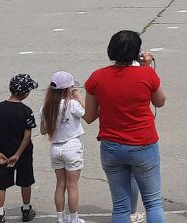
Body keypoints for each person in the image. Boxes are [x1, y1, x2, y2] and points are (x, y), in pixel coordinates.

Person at [83, 31, 166, 223]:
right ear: (136, 53)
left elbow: (89, 116)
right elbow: (159, 102)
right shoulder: (146, 73)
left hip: (111, 145)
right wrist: (147, 67)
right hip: (143, 143)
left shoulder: (97, 77)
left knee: (121, 206)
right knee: (153, 202)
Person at [0, 74, 39, 223]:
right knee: (25, 181)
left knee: (1, 184)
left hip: (2, 152)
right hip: (23, 154)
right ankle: (26, 209)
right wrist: (17, 154)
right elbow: (27, 135)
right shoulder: (26, 111)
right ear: (26, 93)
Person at [41, 71, 86, 223]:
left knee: (60, 184)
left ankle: (61, 217)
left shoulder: (46, 107)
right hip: (71, 146)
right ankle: (74, 218)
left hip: (56, 148)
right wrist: (79, 98)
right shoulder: (72, 104)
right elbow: (86, 114)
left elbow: (43, 131)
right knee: (72, 185)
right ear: (68, 89)